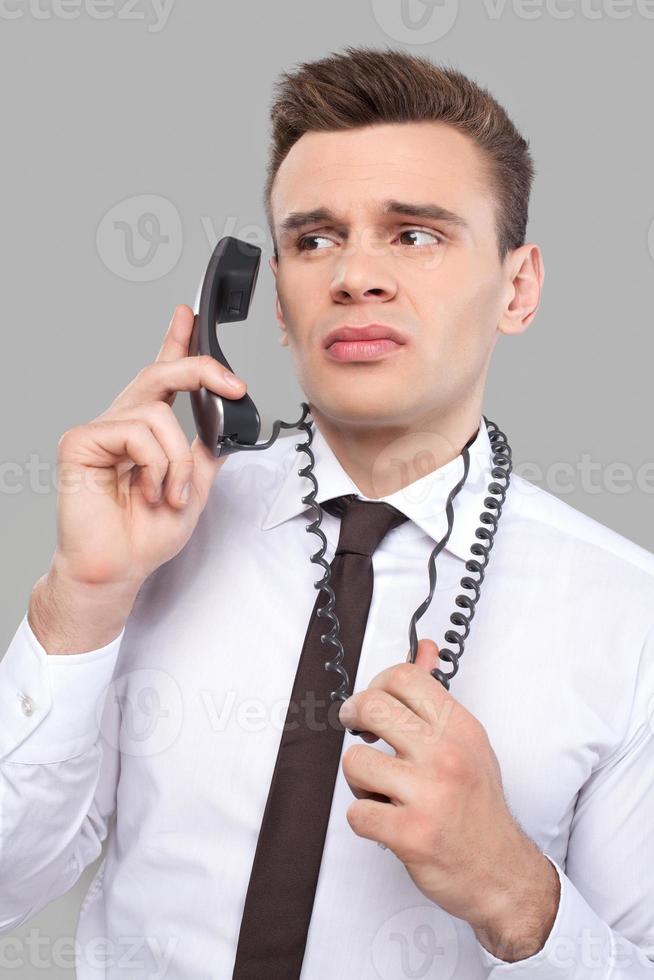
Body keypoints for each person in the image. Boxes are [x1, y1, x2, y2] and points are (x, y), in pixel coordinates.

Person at [1, 44, 653, 979]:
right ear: (269, 302)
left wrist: (515, 891)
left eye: (415, 234)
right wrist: (79, 602)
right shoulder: (154, 529)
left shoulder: (631, 618)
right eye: (314, 240)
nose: (356, 275)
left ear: (518, 287)